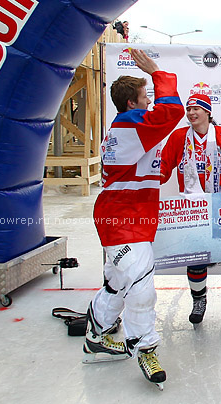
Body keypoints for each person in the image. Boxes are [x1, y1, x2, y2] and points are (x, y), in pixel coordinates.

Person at [85, 48, 184, 390]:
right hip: (122, 219)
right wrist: (157, 71)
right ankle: (145, 346)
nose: (151, 101)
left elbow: (153, 167)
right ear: (132, 104)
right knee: (141, 282)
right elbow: (172, 111)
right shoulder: (130, 124)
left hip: (128, 215)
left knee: (118, 281)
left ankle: (97, 331)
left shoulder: (129, 129)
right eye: (146, 97)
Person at [160, 93, 221, 328]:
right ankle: (199, 301)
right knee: (196, 257)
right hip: (192, 208)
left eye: (197, 109)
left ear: (208, 112)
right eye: (189, 109)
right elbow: (164, 166)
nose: (192, 113)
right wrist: (148, 181)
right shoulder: (179, 137)